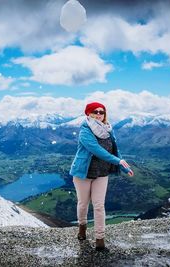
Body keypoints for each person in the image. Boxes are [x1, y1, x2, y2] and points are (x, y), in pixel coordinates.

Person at [69, 101, 134, 252]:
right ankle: (82, 228)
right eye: (95, 111)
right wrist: (118, 161)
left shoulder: (108, 130)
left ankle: (100, 239)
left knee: (99, 205)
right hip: (83, 173)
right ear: (88, 113)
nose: (99, 114)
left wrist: (124, 167)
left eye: (101, 112)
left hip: (102, 173)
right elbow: (96, 149)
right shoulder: (85, 130)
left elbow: (114, 151)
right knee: (83, 203)